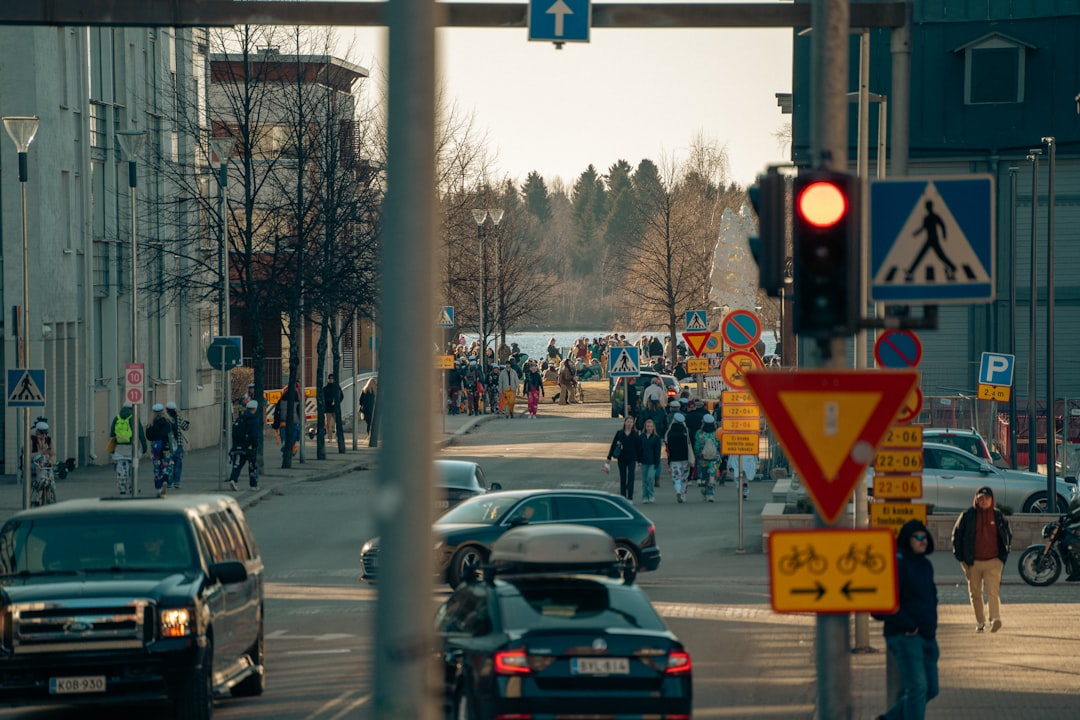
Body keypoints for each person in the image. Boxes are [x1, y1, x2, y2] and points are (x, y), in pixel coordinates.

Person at [873, 520, 939, 720]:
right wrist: (908, 625)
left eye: (924, 536)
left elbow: (930, 596)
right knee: (917, 688)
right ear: (907, 540)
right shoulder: (899, 562)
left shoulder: (925, 564)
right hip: (905, 636)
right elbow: (885, 601)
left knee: (931, 688)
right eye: (917, 537)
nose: (922, 541)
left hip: (927, 636)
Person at [951, 485, 1011, 633]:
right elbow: (956, 536)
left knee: (992, 592)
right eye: (981, 498)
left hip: (994, 561)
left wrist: (1003, 556)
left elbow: (1007, 535)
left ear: (992, 500)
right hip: (972, 562)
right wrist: (961, 559)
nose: (984, 501)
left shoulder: (998, 516)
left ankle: (995, 619)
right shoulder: (967, 516)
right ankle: (980, 622)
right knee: (975, 593)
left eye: (987, 498)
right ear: (976, 500)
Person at [109, 404, 146, 495]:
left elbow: (112, 434)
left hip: (119, 448)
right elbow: (140, 433)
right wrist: (144, 447)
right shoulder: (134, 418)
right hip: (132, 448)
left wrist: (112, 449)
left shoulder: (116, 418)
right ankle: (133, 487)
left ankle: (122, 487)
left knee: (121, 469)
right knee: (134, 467)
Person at [605, 416, 642, 502]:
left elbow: (639, 448)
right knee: (623, 477)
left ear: (633, 424)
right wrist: (609, 457)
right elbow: (613, 445)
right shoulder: (619, 433)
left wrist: (639, 460)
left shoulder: (635, 434)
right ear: (625, 423)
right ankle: (623, 496)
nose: (629, 424)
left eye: (631, 422)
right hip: (621, 458)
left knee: (631, 477)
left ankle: (630, 497)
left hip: (632, 458)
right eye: (628, 422)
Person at [229, 400, 262, 491]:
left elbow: (234, 433)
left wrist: (235, 445)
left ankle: (233, 479)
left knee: (237, 464)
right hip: (249, 446)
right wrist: (255, 444)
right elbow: (254, 435)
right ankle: (253, 485)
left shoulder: (240, 419)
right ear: (255, 409)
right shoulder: (254, 420)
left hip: (239, 446)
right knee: (252, 466)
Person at [145, 403, 174, 497]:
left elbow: (148, 436)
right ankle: (165, 480)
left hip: (156, 447)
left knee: (157, 467)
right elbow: (169, 434)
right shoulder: (167, 422)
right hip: (166, 447)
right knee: (166, 464)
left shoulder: (151, 423)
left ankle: (159, 488)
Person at [664, 412, 694, 503]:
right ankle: (683, 494)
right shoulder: (686, 431)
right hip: (685, 457)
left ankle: (677, 490)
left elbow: (667, 446)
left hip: (674, 458)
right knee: (685, 477)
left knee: (676, 476)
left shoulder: (670, 432)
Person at [693, 414, 722, 502]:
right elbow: (720, 445)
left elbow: (697, 446)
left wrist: (697, 455)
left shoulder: (699, 433)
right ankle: (710, 493)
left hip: (702, 458)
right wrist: (720, 455)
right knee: (712, 475)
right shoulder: (717, 433)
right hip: (714, 458)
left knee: (703, 475)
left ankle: (703, 489)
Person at [165, 401, 190, 490]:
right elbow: (186, 427)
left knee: (168, 463)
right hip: (178, 444)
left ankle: (168, 482)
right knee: (178, 464)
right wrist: (187, 423)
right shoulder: (179, 418)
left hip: (167, 445)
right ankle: (177, 482)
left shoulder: (165, 419)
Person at [639, 418, 662, 504]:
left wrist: (657, 462)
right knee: (644, 480)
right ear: (645, 427)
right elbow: (639, 449)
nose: (649, 428)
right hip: (644, 461)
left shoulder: (656, 438)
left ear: (653, 427)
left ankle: (651, 494)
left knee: (650, 477)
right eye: (648, 426)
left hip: (653, 461)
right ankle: (645, 496)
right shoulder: (642, 437)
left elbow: (658, 451)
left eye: (650, 426)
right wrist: (639, 460)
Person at [322, 373, 344, 439]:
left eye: (332, 378)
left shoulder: (337, 387)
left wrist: (337, 402)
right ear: (328, 379)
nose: (331, 380)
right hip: (328, 408)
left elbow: (341, 396)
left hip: (335, 408)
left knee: (337, 422)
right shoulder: (325, 389)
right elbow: (323, 398)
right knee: (328, 424)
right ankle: (330, 437)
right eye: (330, 378)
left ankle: (337, 436)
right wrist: (329, 401)